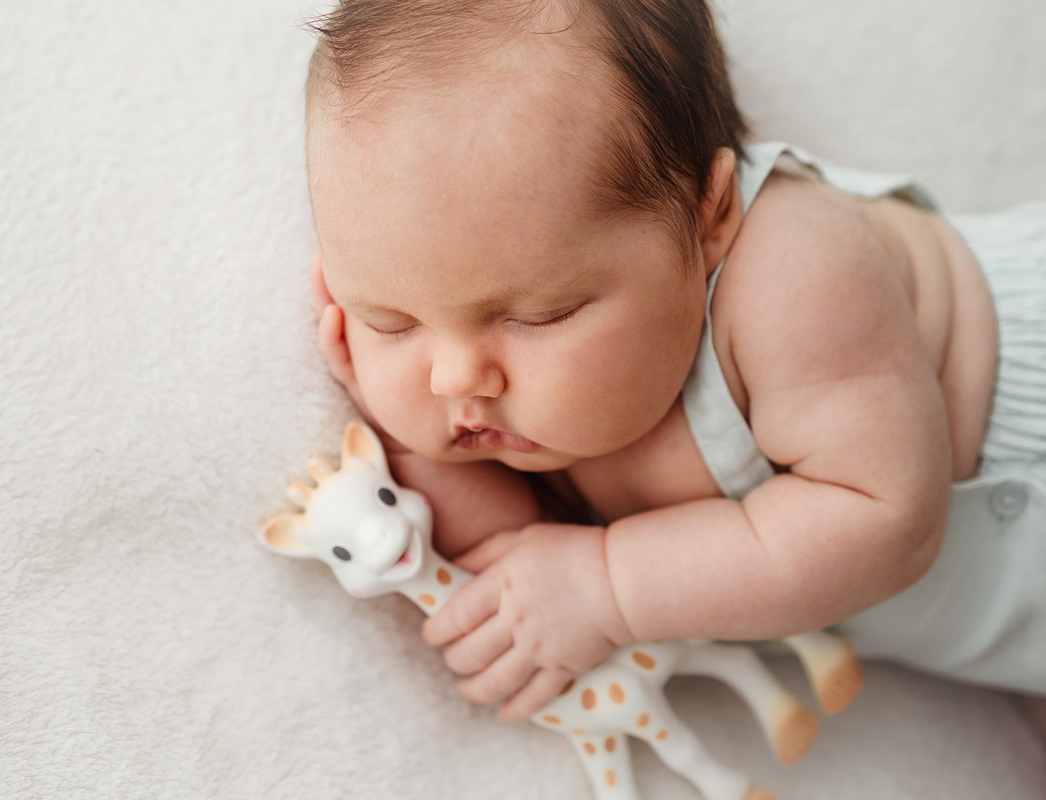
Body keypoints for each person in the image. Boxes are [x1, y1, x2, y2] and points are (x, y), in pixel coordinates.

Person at [302, 0, 1046, 730]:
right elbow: (513, 559)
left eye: (539, 316)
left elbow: (885, 521)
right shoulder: (529, 393)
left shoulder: (793, 271)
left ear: (710, 217)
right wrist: (399, 442)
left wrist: (609, 587)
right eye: (390, 320)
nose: (454, 379)